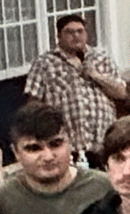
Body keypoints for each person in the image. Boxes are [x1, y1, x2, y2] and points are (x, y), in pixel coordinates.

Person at [23, 14, 124, 162]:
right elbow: (33, 105)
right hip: (70, 146)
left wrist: (96, 75)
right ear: (59, 36)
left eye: (80, 31)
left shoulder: (101, 58)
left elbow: (121, 93)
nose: (76, 36)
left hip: (103, 143)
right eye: (69, 32)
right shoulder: (45, 63)